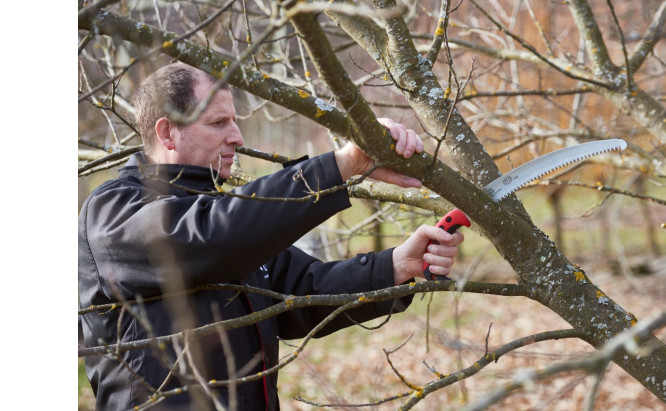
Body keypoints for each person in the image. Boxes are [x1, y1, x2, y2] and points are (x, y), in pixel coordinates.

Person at [78, 62, 464, 410]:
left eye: (235, 120)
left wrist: (397, 266)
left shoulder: (233, 223)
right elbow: (210, 237)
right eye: (217, 123)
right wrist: (341, 165)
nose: (237, 136)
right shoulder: (113, 212)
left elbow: (301, 292)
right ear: (167, 133)